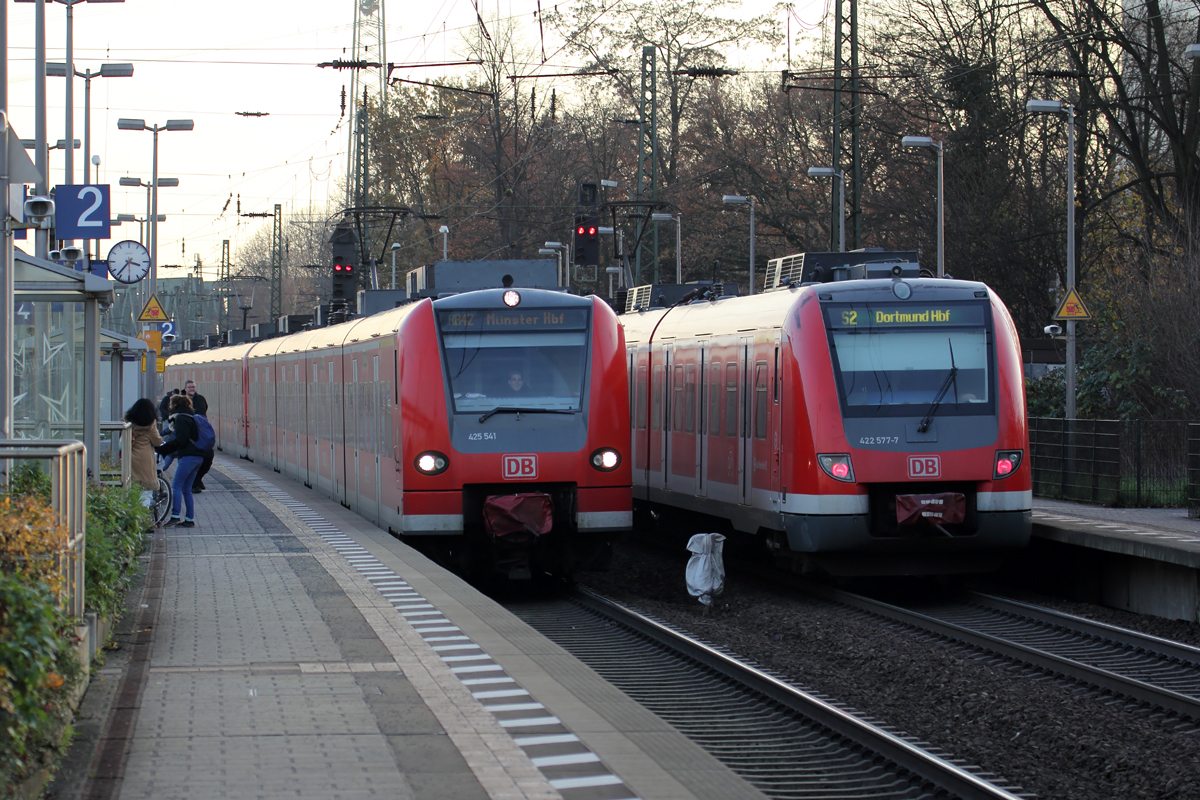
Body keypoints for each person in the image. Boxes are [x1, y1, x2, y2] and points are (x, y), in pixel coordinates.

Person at [156, 394, 205, 528]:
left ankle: (175, 516)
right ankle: (189, 518)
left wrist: (164, 449)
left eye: (171, 404)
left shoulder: (182, 418)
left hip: (189, 456)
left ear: (176, 405)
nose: (169, 407)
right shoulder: (192, 416)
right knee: (186, 488)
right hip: (198, 456)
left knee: (176, 485)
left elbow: (181, 440)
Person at [124, 399, 163, 525]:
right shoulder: (150, 425)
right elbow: (157, 442)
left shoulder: (125, 422)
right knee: (146, 491)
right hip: (144, 459)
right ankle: (142, 521)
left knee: (129, 487)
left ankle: (131, 518)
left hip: (128, 456)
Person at [184, 380, 213, 491]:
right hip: (189, 434)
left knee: (208, 456)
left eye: (193, 387)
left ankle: (197, 479)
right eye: (190, 387)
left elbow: (203, 411)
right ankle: (194, 483)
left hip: (201, 432)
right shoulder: (182, 400)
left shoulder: (200, 399)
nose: (192, 389)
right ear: (185, 388)